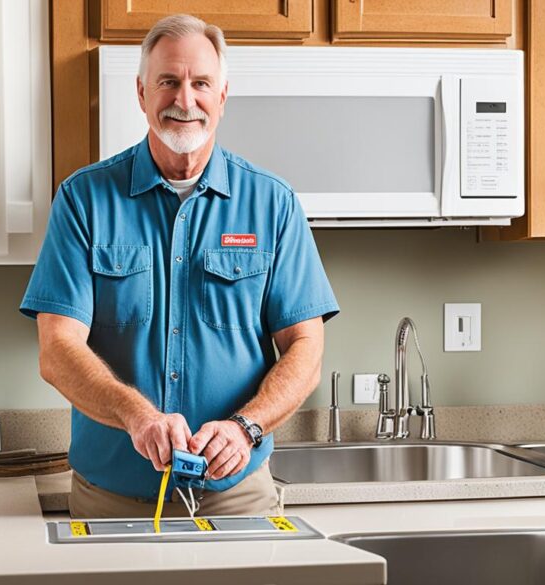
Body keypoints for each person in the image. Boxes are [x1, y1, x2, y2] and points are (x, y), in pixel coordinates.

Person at [19, 14, 338, 518]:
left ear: (223, 96)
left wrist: (246, 427)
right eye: (168, 81)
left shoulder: (272, 204)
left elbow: (306, 346)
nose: (184, 100)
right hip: (110, 496)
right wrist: (137, 416)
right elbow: (57, 349)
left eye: (201, 84)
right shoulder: (83, 200)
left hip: (237, 494)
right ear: (142, 92)